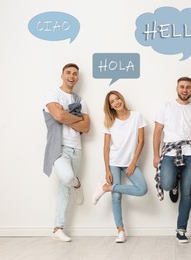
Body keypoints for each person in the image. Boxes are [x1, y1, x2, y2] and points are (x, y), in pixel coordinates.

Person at [153, 77, 191, 243]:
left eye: (188, 87)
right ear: (177, 88)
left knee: (187, 194)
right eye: (182, 87)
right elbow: (157, 131)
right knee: (166, 183)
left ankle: (181, 230)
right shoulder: (166, 106)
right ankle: (173, 184)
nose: (185, 90)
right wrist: (155, 155)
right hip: (170, 151)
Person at [43, 63, 90, 242]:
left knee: (64, 188)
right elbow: (58, 116)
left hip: (76, 148)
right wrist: (74, 118)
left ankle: (57, 228)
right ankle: (77, 184)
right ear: (62, 75)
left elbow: (86, 127)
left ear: (77, 78)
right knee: (68, 178)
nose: (72, 76)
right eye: (68, 73)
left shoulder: (80, 100)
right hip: (58, 147)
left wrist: (66, 116)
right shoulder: (53, 93)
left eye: (75, 74)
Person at [92, 90, 147, 243]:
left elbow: (141, 141)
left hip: (130, 162)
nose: (116, 102)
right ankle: (120, 231)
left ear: (122, 99)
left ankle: (105, 188)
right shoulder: (110, 121)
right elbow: (106, 147)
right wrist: (107, 169)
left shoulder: (137, 116)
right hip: (114, 162)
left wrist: (133, 162)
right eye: (112, 101)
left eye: (117, 98)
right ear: (110, 106)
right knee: (116, 197)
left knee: (142, 189)